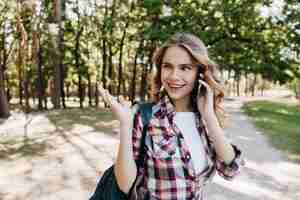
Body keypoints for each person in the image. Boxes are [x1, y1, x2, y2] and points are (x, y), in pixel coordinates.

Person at [98, 32, 244, 200]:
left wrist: (209, 117)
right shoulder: (145, 115)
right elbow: (125, 185)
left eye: (185, 68)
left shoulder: (205, 117)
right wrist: (125, 125)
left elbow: (230, 170)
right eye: (167, 66)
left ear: (200, 73)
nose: (174, 76)